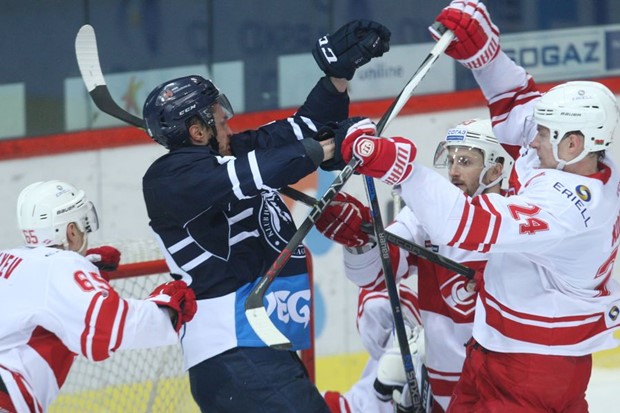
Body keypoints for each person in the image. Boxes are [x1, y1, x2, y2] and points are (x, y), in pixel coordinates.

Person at [336, 3, 620, 409]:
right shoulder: (581, 159)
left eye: (543, 133)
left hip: (532, 368)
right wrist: (484, 56)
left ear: (573, 143)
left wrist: (398, 167)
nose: (532, 140)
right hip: (496, 350)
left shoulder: (569, 209)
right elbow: (518, 107)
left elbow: (463, 224)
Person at [139, 20, 391, 413]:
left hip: (259, 346)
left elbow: (303, 129)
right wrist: (328, 151)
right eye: (214, 113)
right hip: (232, 353)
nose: (225, 116)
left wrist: (337, 77)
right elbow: (251, 175)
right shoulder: (168, 179)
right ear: (196, 130)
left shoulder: (230, 152)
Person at [317, 118, 514, 413]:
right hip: (445, 383)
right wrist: (362, 240)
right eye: (450, 160)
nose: (454, 171)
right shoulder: (429, 215)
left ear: (496, 170)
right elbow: (376, 274)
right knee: (375, 302)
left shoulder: (518, 219)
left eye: (465, 161)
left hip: (506, 380)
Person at [0, 180, 197, 413]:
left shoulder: (9, 257)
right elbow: (107, 329)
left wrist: (87, 275)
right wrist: (167, 309)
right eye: (84, 225)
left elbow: (40, 302)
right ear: (71, 231)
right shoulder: (59, 266)